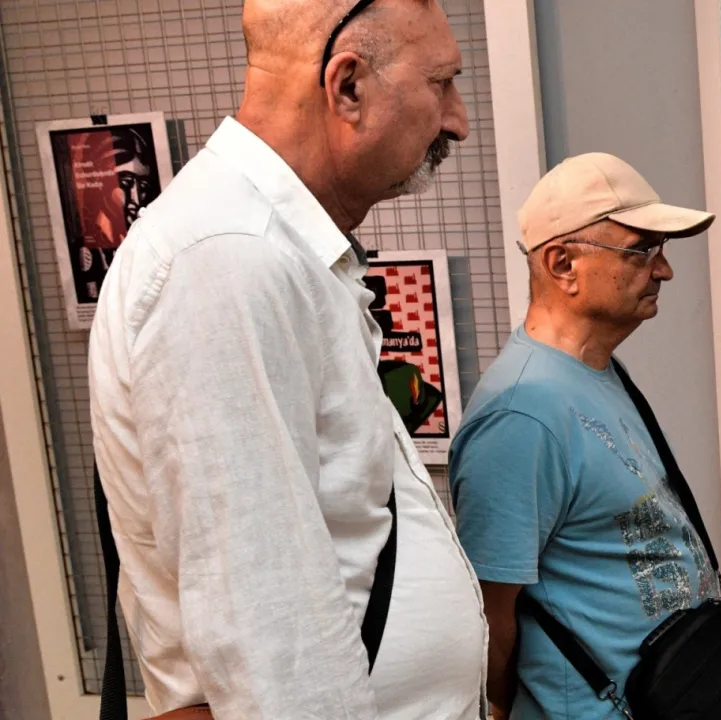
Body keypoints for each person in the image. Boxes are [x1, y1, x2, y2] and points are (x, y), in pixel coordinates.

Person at [87, 1, 487, 718]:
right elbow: (272, 644)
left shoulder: (277, 249)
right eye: (441, 83)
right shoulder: (229, 260)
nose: (456, 120)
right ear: (348, 87)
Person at [447, 152, 719, 719]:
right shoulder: (521, 417)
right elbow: (487, 617)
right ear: (563, 264)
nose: (665, 270)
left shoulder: (593, 370)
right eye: (642, 250)